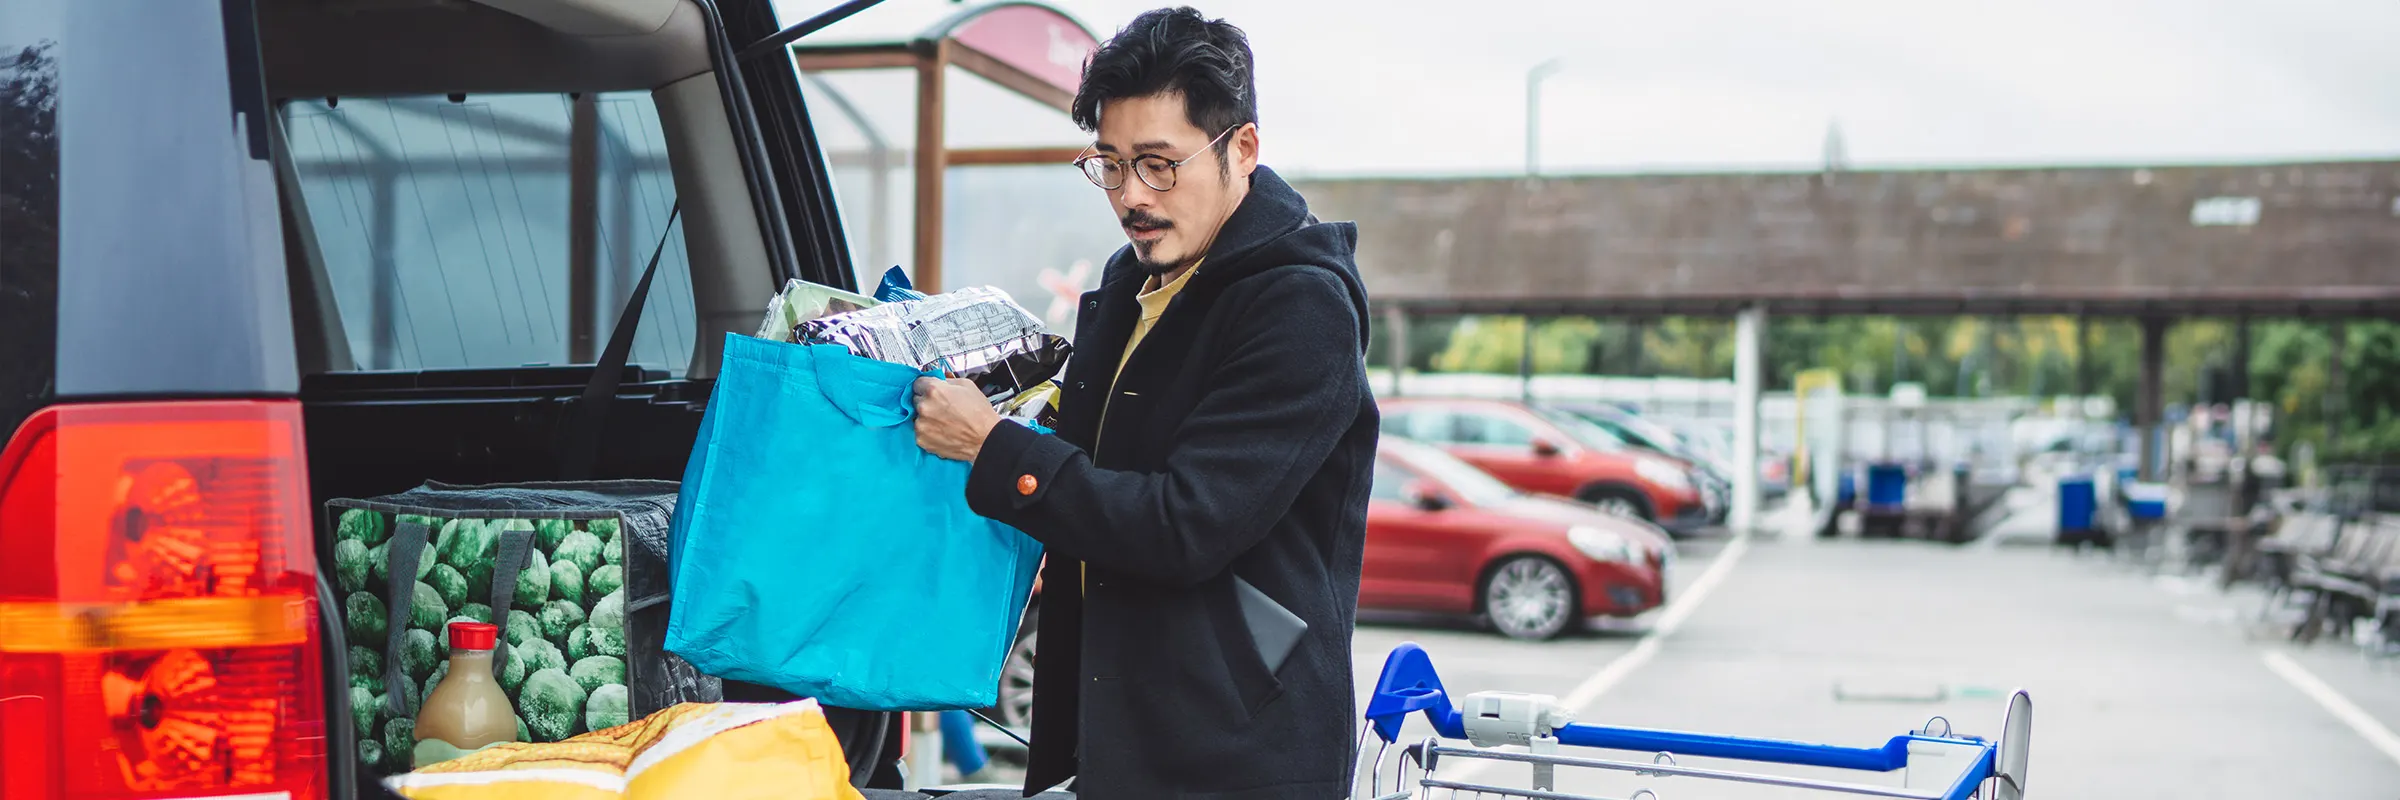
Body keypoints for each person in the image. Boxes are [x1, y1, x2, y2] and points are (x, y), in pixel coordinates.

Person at [909, 6, 1377, 797]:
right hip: (1114, 724)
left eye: (1160, 163)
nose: (1132, 196)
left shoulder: (1302, 308)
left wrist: (993, 448)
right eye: (1111, 164)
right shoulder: (1133, 283)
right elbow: (1095, 463)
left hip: (1233, 753)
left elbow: (1185, 526)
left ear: (1243, 149)